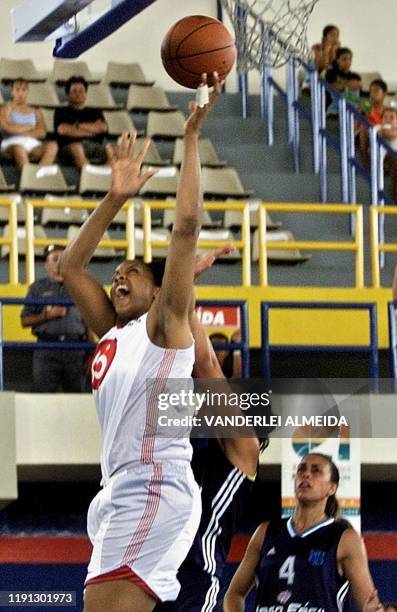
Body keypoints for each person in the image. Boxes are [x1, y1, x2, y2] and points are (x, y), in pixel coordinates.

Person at [59, 74, 222, 612]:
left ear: (159, 289)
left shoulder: (165, 323)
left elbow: (187, 226)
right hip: (119, 491)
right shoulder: (114, 333)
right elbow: (72, 266)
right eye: (118, 274)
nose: (118, 279)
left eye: (131, 272)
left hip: (152, 485)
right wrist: (112, 197)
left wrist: (191, 139)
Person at [155, 313, 264, 612]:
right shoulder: (186, 456)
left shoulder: (244, 452)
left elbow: (207, 366)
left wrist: (181, 304)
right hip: (150, 576)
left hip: (194, 579)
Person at [223, 453, 383, 612]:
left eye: (316, 471)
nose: (306, 474)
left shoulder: (344, 538)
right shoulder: (266, 532)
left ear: (332, 488)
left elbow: (368, 605)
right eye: (301, 469)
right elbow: (234, 594)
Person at [20, 244, 88, 393]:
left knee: (77, 399)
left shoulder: (80, 286)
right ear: (46, 264)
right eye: (55, 259)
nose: (59, 263)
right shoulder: (37, 288)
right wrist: (48, 315)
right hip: (46, 348)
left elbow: (88, 321)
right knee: (40, 398)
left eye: (63, 259)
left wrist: (90, 351)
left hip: (75, 349)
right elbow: (25, 321)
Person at [54, 76, 112, 169]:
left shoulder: (95, 111)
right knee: (77, 148)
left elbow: (102, 128)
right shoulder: (61, 111)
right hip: (70, 146)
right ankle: (89, 177)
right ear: (68, 94)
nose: (78, 94)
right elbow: (63, 130)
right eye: (74, 91)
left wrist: (76, 125)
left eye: (81, 91)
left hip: (95, 146)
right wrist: (92, 130)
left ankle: (105, 176)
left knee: (116, 150)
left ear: (85, 93)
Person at [0, 78, 58, 170]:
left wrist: (17, 130)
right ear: (12, 92)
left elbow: (42, 132)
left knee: (52, 145)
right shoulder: (6, 108)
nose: (20, 93)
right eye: (17, 89)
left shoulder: (36, 110)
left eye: (24, 90)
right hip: (12, 142)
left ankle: (39, 173)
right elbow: (6, 128)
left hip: (31, 143)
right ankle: (27, 177)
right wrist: (30, 127)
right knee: (19, 149)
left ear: (27, 92)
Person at [359, 79, 388, 169]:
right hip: (365, 133)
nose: (372, 94)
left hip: (382, 134)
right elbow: (355, 124)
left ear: (384, 94)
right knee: (364, 127)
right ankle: (365, 159)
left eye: (376, 91)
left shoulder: (389, 110)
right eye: (371, 91)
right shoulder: (364, 107)